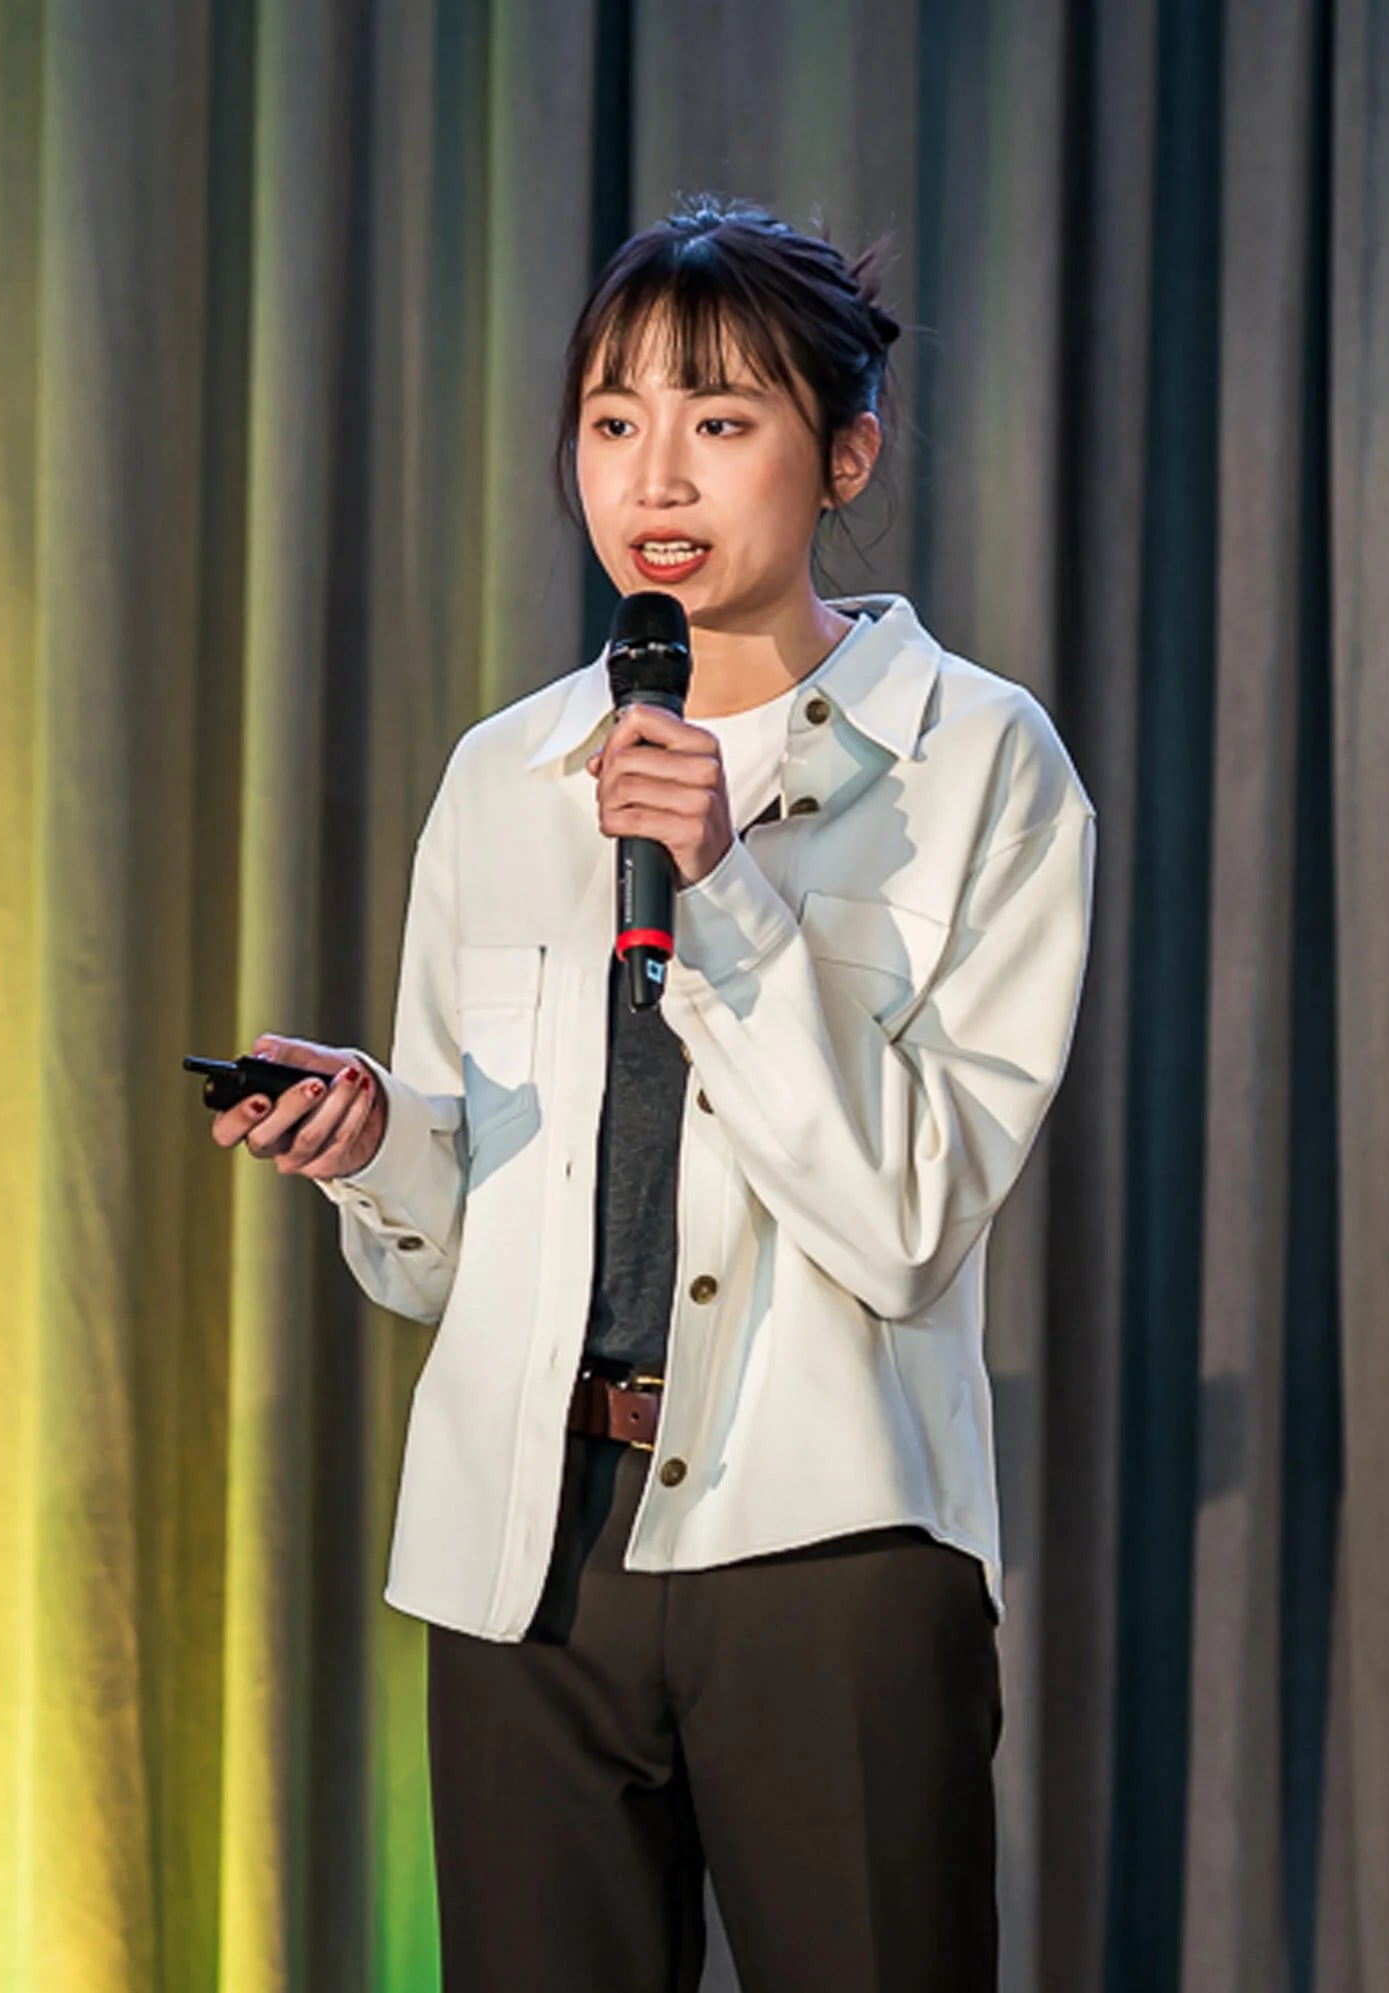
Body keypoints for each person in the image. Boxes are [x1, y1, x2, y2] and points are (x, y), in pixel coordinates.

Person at [207, 197, 1096, 1992]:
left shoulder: (981, 763)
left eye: (720, 418)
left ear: (843, 451)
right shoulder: (508, 773)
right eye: (613, 422)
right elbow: (447, 1261)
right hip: (532, 1560)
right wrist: (382, 1148)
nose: (655, 475)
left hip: (829, 1552)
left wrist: (729, 895)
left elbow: (911, 1224)